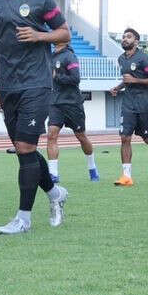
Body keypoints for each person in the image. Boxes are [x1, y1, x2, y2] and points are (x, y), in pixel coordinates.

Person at [0, 0, 72, 234]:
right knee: (23, 150)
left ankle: (23, 218)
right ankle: (56, 194)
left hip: (37, 84)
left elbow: (64, 34)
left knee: (27, 147)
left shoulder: (40, 0)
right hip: (8, 87)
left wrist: (39, 36)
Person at [110, 27, 148, 185]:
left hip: (145, 104)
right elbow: (127, 79)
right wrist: (118, 87)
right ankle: (126, 176)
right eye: (123, 37)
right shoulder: (121, 59)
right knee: (124, 138)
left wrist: (135, 81)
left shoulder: (144, 59)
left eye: (128, 37)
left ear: (136, 41)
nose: (124, 39)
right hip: (128, 104)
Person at [45, 34, 100, 185]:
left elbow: (75, 78)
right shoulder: (50, 56)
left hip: (72, 103)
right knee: (51, 135)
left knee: (81, 136)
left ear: (65, 39)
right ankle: (53, 174)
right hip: (55, 103)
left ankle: (92, 167)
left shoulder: (70, 56)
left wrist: (58, 77)